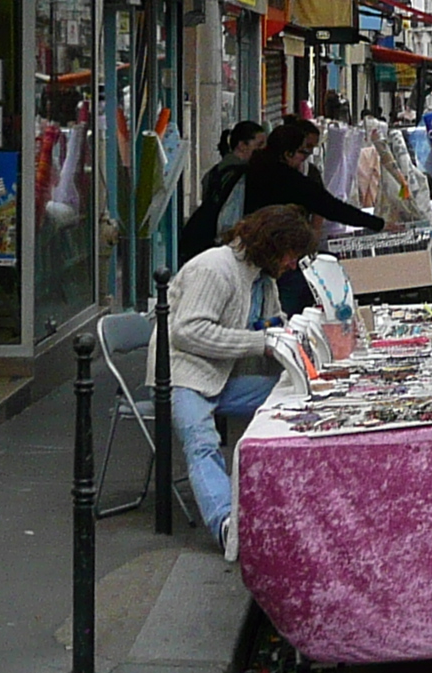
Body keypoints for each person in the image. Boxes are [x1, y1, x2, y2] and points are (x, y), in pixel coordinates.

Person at [165, 205, 321, 555]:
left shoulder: (262, 279)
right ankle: (226, 525)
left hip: (220, 377)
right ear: (273, 245)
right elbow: (187, 332)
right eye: (291, 255)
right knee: (201, 443)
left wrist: (292, 335)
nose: (292, 264)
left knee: (297, 395)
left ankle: (290, 496)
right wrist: (261, 342)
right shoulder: (214, 269)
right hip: (184, 375)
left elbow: (270, 323)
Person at [234, 116, 387, 237]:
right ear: (288, 153)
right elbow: (331, 207)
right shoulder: (290, 179)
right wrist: (378, 224)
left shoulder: (248, 169)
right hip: (270, 246)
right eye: (302, 151)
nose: (305, 157)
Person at [186, 121, 264, 250]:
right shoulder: (240, 175)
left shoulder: (215, 172)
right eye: (259, 145)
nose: (263, 150)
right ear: (242, 145)